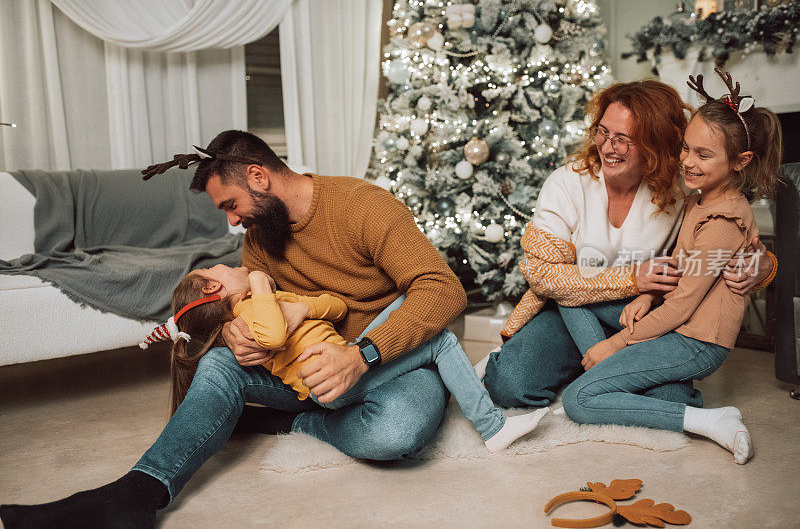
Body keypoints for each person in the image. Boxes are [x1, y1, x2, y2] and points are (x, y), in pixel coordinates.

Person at [0, 130, 469, 528]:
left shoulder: (363, 207)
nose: (231, 220)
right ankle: (139, 491)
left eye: (231, 203)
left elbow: (443, 289)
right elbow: (249, 306)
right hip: (307, 369)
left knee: (398, 433)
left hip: (389, 362)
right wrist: (231, 335)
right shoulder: (259, 239)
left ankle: (297, 422)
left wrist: (360, 355)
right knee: (221, 363)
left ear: (258, 177)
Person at [478, 80, 776, 410]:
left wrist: (763, 267)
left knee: (674, 400)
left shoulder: (683, 188)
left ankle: (596, 371)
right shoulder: (567, 184)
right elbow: (542, 276)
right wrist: (632, 279)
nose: (607, 146)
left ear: (655, 143)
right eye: (603, 132)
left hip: (642, 314)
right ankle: (593, 368)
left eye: (623, 139)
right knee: (509, 386)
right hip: (571, 311)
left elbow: (720, 243)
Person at [560, 68, 782, 465]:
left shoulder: (722, 221)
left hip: (695, 341)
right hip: (673, 319)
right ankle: (621, 383)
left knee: (579, 400)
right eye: (686, 149)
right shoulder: (700, 198)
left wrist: (616, 344)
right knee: (570, 291)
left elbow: (683, 306)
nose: (687, 162)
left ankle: (708, 421)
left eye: (703, 155)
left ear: (740, 161)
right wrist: (646, 294)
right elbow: (679, 268)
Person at [155, 265, 548, 452]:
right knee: (440, 340)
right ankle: (492, 427)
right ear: (213, 285)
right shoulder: (250, 311)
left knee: (408, 306)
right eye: (218, 268)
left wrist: (303, 310)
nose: (233, 264)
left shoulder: (269, 304)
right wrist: (258, 279)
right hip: (328, 383)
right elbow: (272, 335)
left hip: (343, 358)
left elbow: (336, 308)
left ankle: (458, 377)